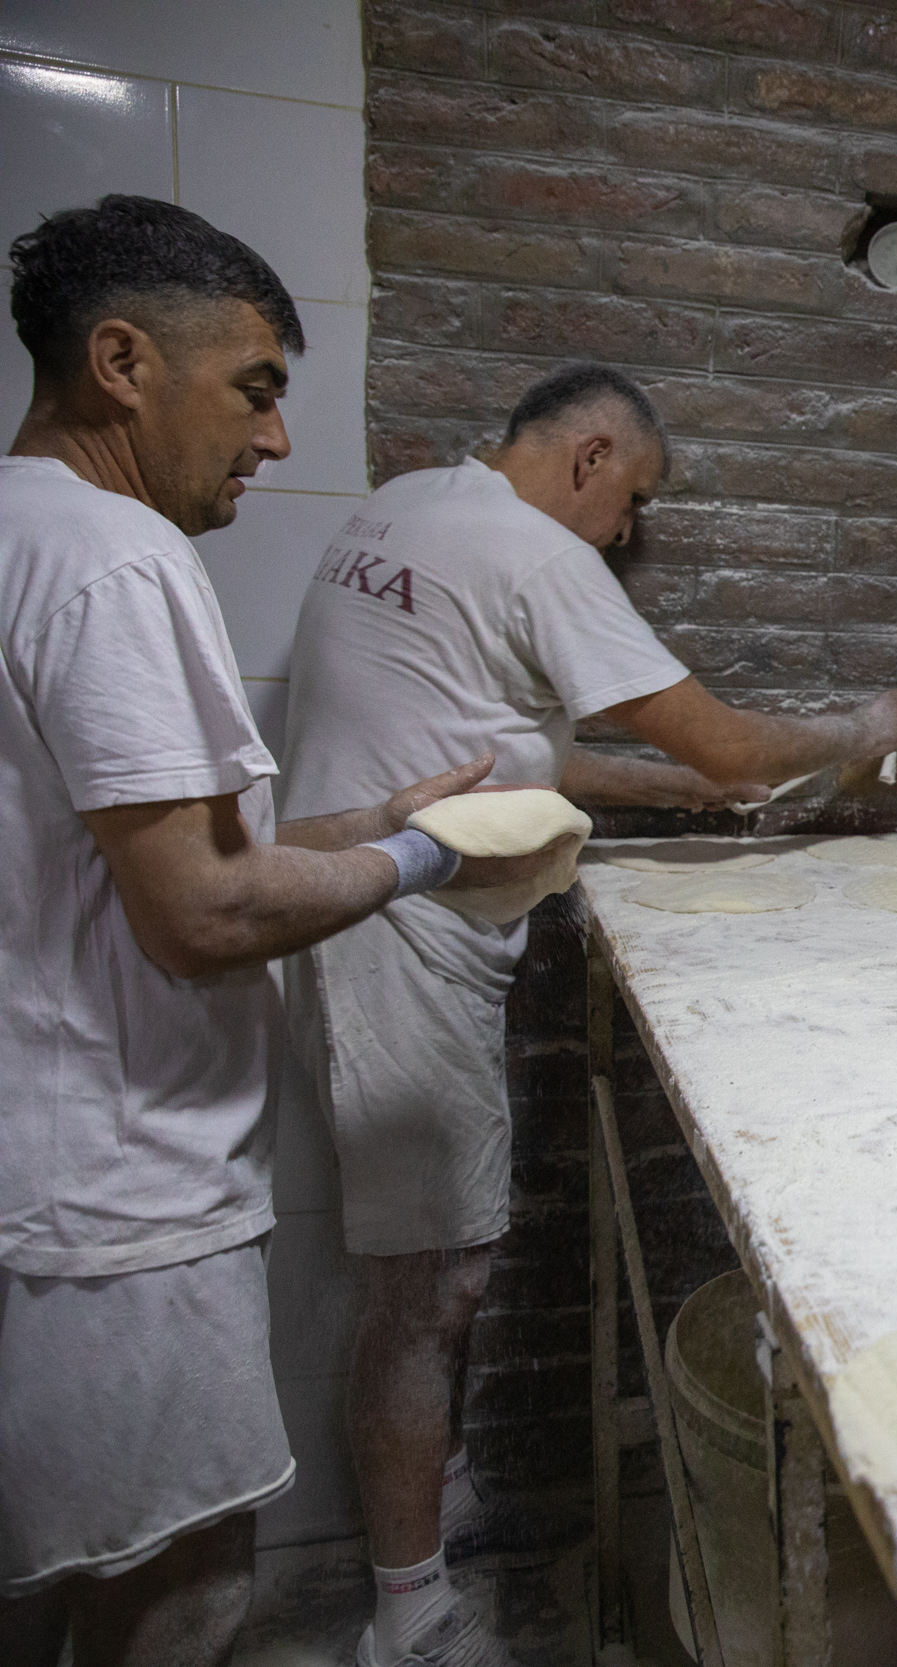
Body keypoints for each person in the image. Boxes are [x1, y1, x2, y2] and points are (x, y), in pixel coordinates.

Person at [278, 361, 897, 1667]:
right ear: (587, 455)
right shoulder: (532, 551)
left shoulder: (416, 507)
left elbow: (521, 744)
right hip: (400, 939)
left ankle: (432, 1503)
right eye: (629, 498)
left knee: (427, 1279)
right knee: (432, 1286)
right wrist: (853, 730)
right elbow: (731, 744)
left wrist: (678, 799)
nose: (626, 533)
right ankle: (404, 1616)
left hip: (354, 914)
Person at [0, 196, 552, 1667]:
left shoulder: (21, 533)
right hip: (114, 1194)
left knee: (61, 1573)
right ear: (121, 360)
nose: (276, 439)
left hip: (43, 1168)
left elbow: (149, 850)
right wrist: (447, 850)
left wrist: (372, 820)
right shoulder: (114, 558)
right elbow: (200, 911)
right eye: (254, 387)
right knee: (173, 1586)